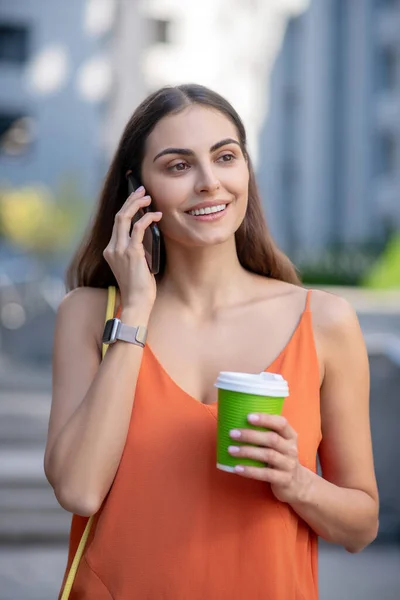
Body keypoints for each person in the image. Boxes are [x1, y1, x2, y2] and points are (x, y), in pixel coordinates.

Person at [45, 84, 379, 600]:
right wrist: (134, 311)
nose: (209, 183)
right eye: (178, 166)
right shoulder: (91, 315)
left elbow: (361, 527)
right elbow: (79, 490)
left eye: (225, 157)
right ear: (139, 187)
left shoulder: (325, 321)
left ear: (245, 168)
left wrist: (297, 482)